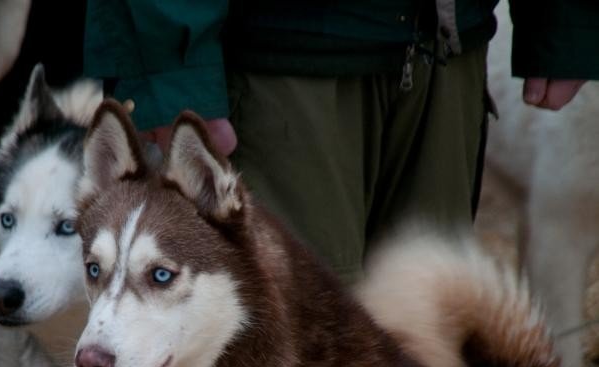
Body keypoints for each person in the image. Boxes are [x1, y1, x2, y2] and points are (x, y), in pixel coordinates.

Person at [82, 1, 599, 282]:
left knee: (429, 350)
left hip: (446, 49)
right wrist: (174, 64)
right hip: (281, 58)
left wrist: (566, 17)